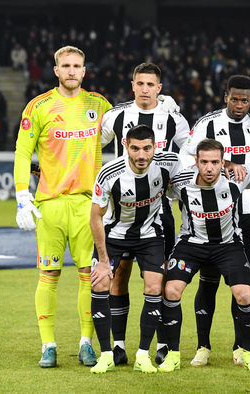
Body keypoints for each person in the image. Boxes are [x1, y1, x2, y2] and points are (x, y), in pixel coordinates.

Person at [13, 46, 112, 368]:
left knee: (89, 275)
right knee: (49, 274)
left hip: (88, 204)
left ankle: (86, 343)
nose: (71, 70)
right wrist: (22, 196)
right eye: (65, 65)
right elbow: (22, 152)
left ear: (84, 71)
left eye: (77, 66)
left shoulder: (99, 105)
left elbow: (129, 132)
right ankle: (48, 345)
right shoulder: (39, 106)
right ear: (56, 70)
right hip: (51, 204)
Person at [100, 62, 189, 366]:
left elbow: (188, 157)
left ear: (159, 88)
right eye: (140, 84)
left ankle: (162, 343)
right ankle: (119, 345)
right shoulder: (116, 115)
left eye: (151, 85)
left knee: (159, 279)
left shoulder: (175, 120)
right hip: (121, 209)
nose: (145, 89)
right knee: (118, 277)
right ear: (133, 85)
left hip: (159, 210)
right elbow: (91, 146)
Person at [180, 75, 250, 366]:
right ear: (225, 97)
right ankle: (203, 347)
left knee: (239, 282)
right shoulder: (207, 124)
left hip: (246, 216)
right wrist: (227, 166)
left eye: (245, 100)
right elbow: (186, 159)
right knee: (207, 282)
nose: (240, 104)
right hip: (207, 218)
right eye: (234, 98)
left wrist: (245, 172)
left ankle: (239, 347)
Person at [159, 138, 250, 373]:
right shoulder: (181, 182)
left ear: (223, 162)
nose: (209, 168)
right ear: (196, 162)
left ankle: (248, 353)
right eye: (204, 162)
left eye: (214, 162)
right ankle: (173, 354)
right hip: (191, 245)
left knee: (243, 294)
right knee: (170, 290)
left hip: (228, 245)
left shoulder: (237, 178)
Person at [88, 125, 184, 374]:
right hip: (114, 235)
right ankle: (107, 354)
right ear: (125, 145)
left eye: (147, 148)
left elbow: (199, 162)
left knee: (154, 287)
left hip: (150, 235)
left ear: (156, 147)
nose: (141, 155)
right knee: (100, 283)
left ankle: (143, 355)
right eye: (135, 148)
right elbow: (95, 218)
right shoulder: (109, 173)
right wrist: (102, 260)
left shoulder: (170, 164)